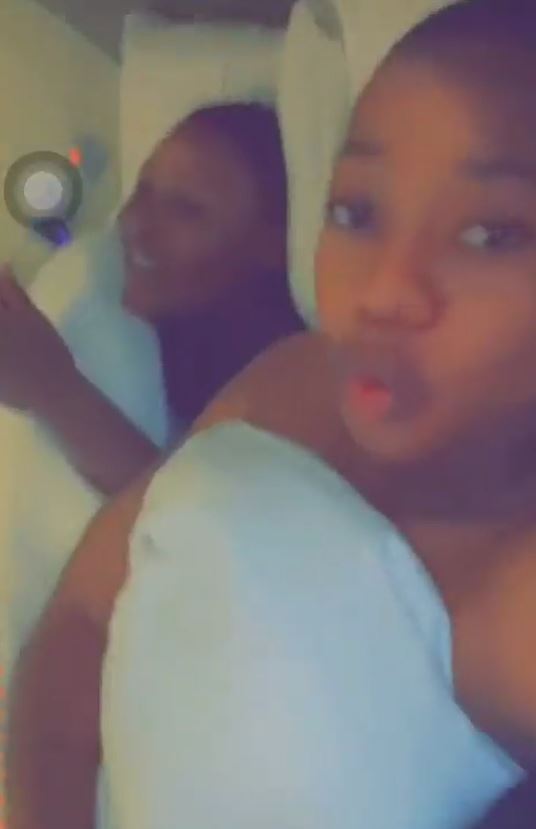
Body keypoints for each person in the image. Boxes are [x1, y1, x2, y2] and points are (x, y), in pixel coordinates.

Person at [8, 0, 536, 825]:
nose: (383, 290)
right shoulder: (296, 375)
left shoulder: (509, 604)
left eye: (491, 234)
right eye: (356, 212)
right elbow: (81, 613)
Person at [0, 102, 303, 495]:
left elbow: (191, 522)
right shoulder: (98, 285)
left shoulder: (285, 386)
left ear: (273, 245)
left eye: (186, 210)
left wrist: (51, 388)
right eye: (143, 190)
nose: (138, 224)